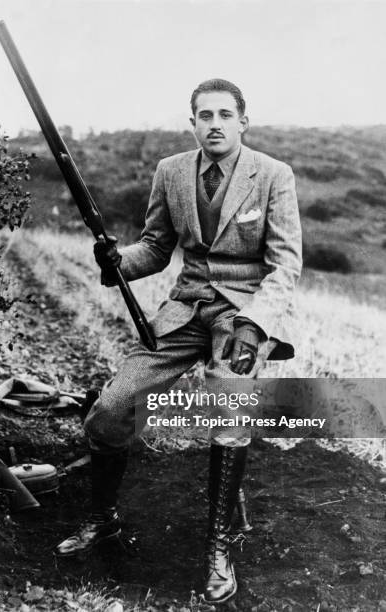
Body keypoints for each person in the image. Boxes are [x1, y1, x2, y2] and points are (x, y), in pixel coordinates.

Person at [56, 78, 302, 605]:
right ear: (192, 121)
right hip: (185, 308)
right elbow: (155, 246)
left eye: (224, 115)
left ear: (243, 121)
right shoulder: (171, 171)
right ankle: (104, 518)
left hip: (244, 315)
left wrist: (255, 326)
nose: (214, 124)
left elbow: (286, 267)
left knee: (228, 414)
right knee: (110, 409)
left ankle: (219, 545)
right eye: (204, 115)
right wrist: (117, 261)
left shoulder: (274, 175)